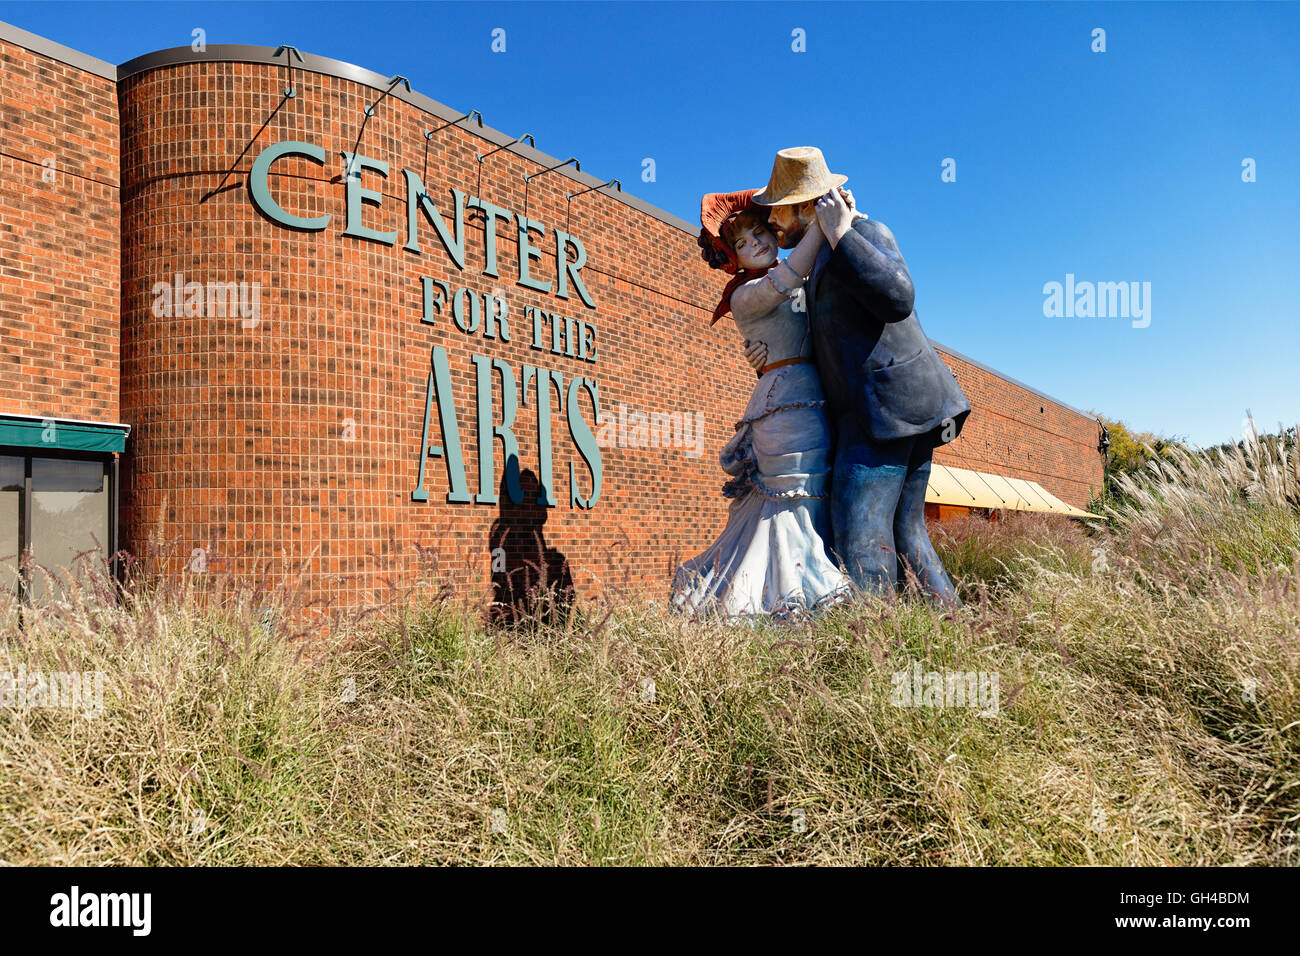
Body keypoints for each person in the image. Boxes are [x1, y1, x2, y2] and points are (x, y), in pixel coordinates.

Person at [748, 147, 971, 606]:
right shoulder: (819, 263)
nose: (772, 222)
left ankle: (874, 653)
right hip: (894, 409)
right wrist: (772, 355)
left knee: (859, 539)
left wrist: (844, 233)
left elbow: (898, 296)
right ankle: (951, 632)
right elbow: (835, 336)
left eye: (778, 211)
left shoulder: (864, 232)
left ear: (808, 205)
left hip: (885, 411)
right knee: (908, 534)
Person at [671, 189, 852, 619]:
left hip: (813, 395)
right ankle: (788, 605)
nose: (755, 242)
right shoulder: (743, 295)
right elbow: (786, 279)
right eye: (741, 242)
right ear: (730, 257)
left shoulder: (801, 273)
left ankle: (795, 600)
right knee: (793, 499)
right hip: (785, 404)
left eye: (759, 230)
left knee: (810, 497)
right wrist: (827, 222)